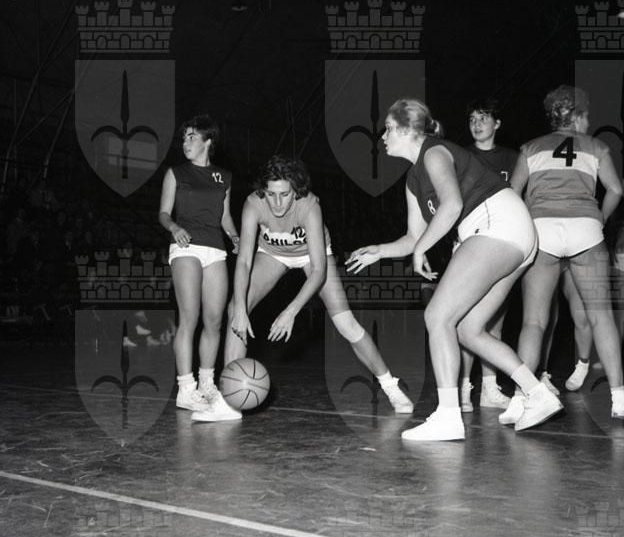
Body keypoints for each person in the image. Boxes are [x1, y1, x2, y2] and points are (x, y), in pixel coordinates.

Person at [347, 97, 561, 441]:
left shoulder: (434, 152)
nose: (382, 137)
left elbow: (452, 206)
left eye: (388, 129)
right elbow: (414, 237)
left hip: (497, 222)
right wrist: (382, 251)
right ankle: (537, 393)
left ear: (408, 130)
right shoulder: (412, 180)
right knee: (468, 330)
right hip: (512, 235)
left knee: (437, 316)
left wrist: (421, 248)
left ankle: (448, 415)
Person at [206, 154, 413, 422]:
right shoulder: (253, 204)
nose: (277, 203)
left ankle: (391, 386)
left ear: (296, 191)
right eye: (271, 194)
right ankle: (230, 401)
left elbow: (318, 270)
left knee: (346, 324)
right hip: (272, 254)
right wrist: (241, 311)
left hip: (313, 257)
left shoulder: (310, 205)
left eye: (284, 195)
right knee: (236, 308)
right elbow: (244, 262)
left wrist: (291, 311)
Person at [502, 85, 624, 425]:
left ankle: (521, 398)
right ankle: (620, 399)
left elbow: (512, 192)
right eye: (587, 117)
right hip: (585, 228)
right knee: (602, 316)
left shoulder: (530, 147)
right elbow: (616, 189)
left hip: (542, 230)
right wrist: (599, 218)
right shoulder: (597, 146)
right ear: (580, 116)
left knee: (534, 321)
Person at [158, 114, 241, 421]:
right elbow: (163, 213)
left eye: (191, 137)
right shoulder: (176, 173)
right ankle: (185, 388)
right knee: (189, 317)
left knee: (215, 320)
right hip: (186, 247)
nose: (185, 142)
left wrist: (235, 237)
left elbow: (225, 216)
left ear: (208, 141)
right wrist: (174, 227)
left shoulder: (224, 177)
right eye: (184, 138)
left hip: (215, 249)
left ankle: (207, 384)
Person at [459, 97, 520, 412]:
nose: (477, 123)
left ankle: (490, 389)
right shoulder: (462, 156)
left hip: (502, 244)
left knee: (494, 318)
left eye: (483, 117)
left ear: (497, 123)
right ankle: (463, 388)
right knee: (466, 318)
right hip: (470, 242)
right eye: (472, 118)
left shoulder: (513, 158)